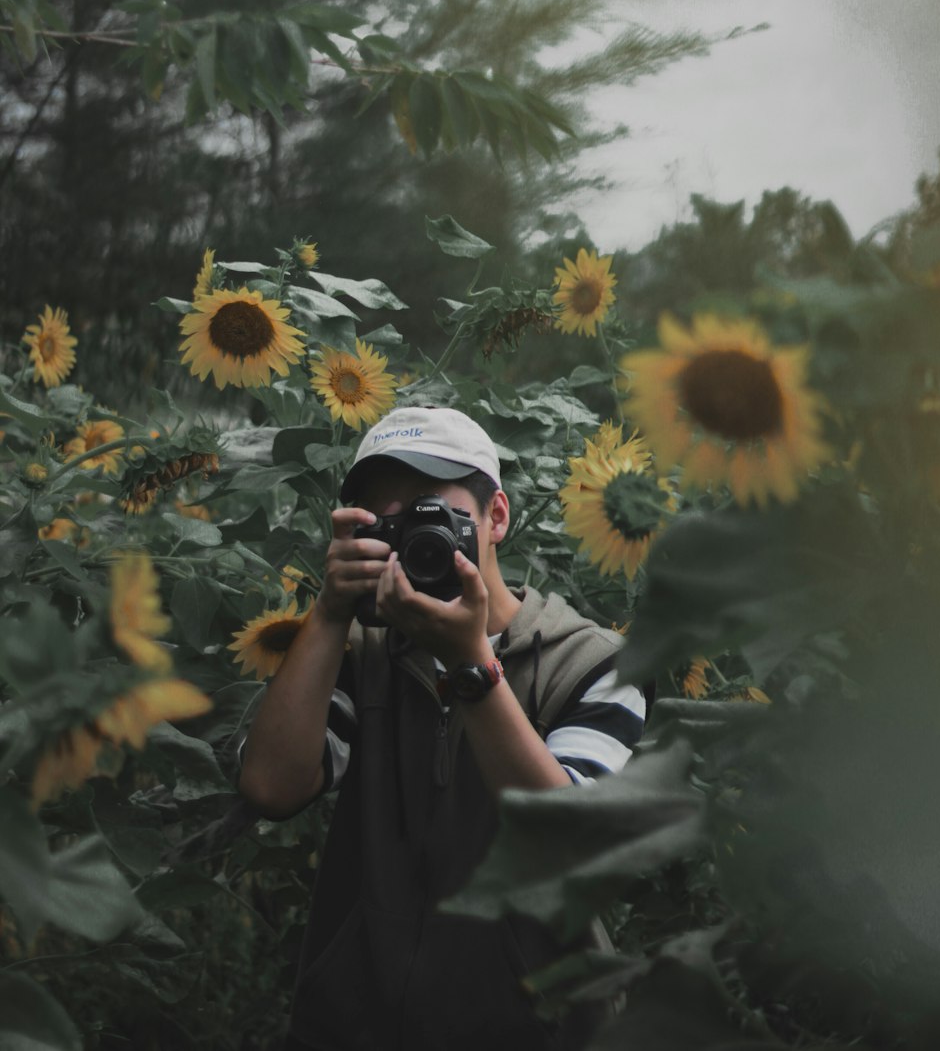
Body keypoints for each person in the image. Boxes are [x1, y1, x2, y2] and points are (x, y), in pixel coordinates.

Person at [238, 405, 649, 1051]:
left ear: (497, 518)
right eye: (387, 519)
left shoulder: (594, 663)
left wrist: (471, 665)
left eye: (431, 508)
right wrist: (329, 612)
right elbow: (270, 786)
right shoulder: (362, 654)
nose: (412, 536)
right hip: (357, 1027)